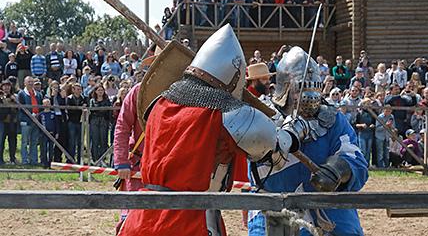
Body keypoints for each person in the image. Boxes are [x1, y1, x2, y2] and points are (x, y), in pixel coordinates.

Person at [119, 25, 302, 236]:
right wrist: (292, 131)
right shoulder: (224, 113)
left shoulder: (159, 102)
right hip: (187, 219)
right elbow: (274, 149)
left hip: (144, 213)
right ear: (234, 78)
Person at [248, 46, 368, 236]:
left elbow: (355, 159)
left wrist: (339, 170)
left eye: (313, 88)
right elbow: (258, 172)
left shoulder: (332, 119)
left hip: (329, 210)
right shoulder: (264, 117)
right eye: (300, 88)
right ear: (284, 87)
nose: (307, 97)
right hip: (277, 211)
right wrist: (283, 141)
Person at [113, 82, 144, 232]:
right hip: (138, 164)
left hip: (165, 168)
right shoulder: (139, 90)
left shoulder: (181, 92)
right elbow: (122, 126)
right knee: (129, 220)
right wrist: (121, 162)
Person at [18, 76, 43, 165]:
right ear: (25, 83)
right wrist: (31, 115)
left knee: (34, 142)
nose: (30, 83)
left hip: (36, 121)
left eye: (32, 82)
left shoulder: (38, 94)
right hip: (26, 121)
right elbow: (21, 108)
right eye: (29, 82)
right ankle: (24, 160)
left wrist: (37, 115)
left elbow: (40, 107)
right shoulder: (21, 93)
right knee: (25, 142)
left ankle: (34, 160)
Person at [89, 84, 112, 163]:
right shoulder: (92, 100)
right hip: (94, 121)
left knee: (103, 140)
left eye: (101, 90)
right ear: (95, 91)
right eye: (98, 90)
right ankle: (95, 158)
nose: (100, 92)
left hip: (104, 121)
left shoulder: (107, 100)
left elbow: (108, 111)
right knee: (95, 140)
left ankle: (103, 159)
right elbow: (92, 110)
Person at [66, 83, 87, 163]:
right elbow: (70, 110)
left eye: (80, 89)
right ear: (73, 90)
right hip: (72, 122)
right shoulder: (69, 98)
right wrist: (79, 108)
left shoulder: (84, 98)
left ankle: (79, 160)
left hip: (80, 122)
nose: (79, 91)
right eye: (77, 89)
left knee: (80, 141)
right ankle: (71, 159)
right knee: (72, 141)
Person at [355, 98, 375, 166]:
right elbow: (355, 124)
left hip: (370, 133)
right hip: (362, 133)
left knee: (368, 150)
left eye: (370, 104)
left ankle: (367, 164)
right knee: (363, 150)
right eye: (367, 103)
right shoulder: (359, 113)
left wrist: (373, 125)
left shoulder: (372, 113)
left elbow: (375, 122)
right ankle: (361, 163)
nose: (369, 105)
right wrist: (361, 125)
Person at [38, 98, 57, 167]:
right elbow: (38, 124)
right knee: (43, 148)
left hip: (52, 133)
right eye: (45, 103)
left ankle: (50, 162)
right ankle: (44, 162)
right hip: (43, 134)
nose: (46, 105)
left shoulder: (53, 114)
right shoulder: (41, 114)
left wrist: (56, 132)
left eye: (48, 103)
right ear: (43, 105)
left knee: (51, 149)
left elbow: (56, 124)